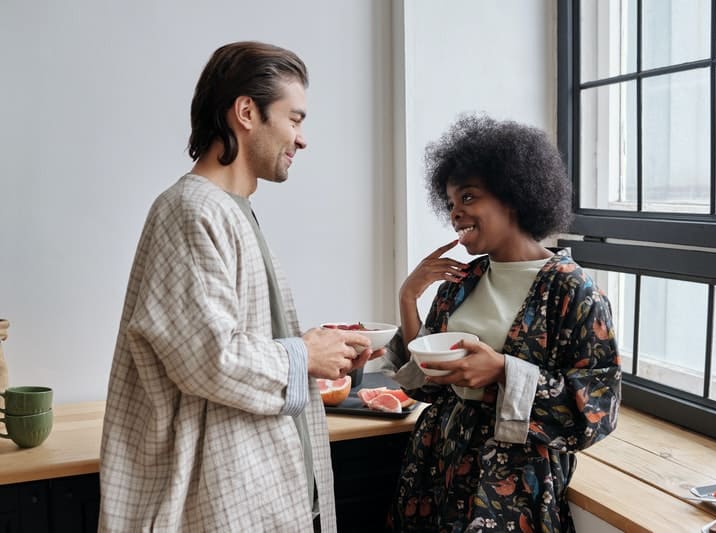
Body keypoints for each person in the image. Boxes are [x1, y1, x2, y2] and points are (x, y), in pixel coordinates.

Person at [99, 41, 381, 532]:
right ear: (247, 112)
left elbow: (229, 342)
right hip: (212, 501)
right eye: (294, 119)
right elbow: (210, 358)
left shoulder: (235, 211)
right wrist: (302, 355)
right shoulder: (191, 212)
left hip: (257, 489)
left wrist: (321, 351)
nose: (302, 138)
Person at [383, 115, 621, 532]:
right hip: (437, 464)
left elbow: (597, 411)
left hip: (511, 484)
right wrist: (408, 297)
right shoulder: (464, 280)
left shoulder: (575, 290)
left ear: (512, 196)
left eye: (469, 198)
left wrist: (501, 371)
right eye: (452, 203)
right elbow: (420, 387)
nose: (456, 213)